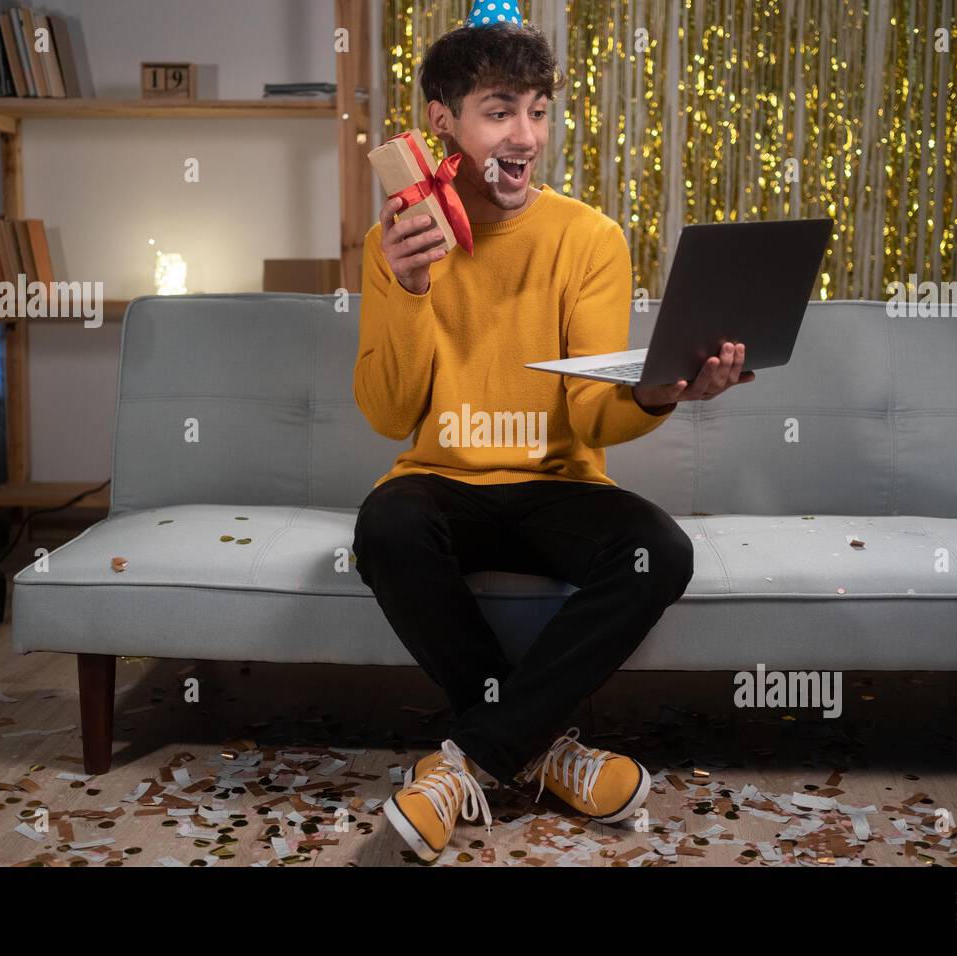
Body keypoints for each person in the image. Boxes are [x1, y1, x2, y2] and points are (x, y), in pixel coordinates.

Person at [352, 2, 754, 862]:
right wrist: (412, 289)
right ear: (442, 123)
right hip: (442, 483)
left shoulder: (589, 238)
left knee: (660, 551)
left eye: (538, 109)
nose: (526, 134)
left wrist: (662, 395)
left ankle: (471, 760)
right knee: (386, 526)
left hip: (557, 485)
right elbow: (389, 415)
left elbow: (586, 413)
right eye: (499, 110)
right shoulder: (393, 239)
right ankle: (546, 752)